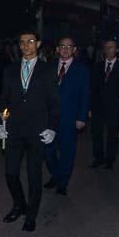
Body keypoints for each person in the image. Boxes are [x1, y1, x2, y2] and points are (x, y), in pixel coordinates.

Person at [0, 30, 59, 232]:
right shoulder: (10, 70)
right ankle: (19, 205)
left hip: (37, 130)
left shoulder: (48, 69)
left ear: (38, 44)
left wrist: (52, 128)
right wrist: (1, 123)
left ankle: (31, 215)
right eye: (22, 42)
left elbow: (54, 102)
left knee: (34, 175)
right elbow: (3, 100)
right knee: (10, 173)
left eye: (30, 42)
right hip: (14, 129)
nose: (26, 46)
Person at [44, 37, 89, 195]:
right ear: (57, 49)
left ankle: (63, 182)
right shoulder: (48, 67)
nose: (65, 49)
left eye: (69, 47)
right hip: (49, 119)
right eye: (62, 46)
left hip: (70, 118)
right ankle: (56, 175)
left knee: (67, 152)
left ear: (74, 50)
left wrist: (82, 117)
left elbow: (85, 94)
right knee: (47, 151)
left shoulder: (81, 69)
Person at [89, 39, 119, 171]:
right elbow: (92, 88)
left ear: (117, 50)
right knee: (96, 134)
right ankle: (98, 157)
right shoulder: (97, 66)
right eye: (106, 47)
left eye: (111, 47)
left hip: (114, 106)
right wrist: (89, 107)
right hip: (98, 106)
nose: (108, 50)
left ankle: (110, 160)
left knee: (112, 134)